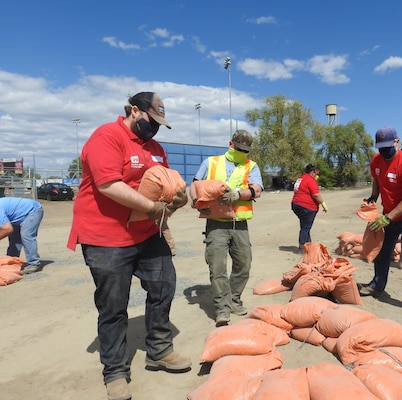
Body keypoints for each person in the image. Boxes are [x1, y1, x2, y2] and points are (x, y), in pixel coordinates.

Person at [67, 92, 190, 400]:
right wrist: (151, 207)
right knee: (113, 306)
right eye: (152, 120)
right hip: (106, 237)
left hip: (148, 233)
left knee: (164, 285)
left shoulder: (156, 148)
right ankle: (115, 371)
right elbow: (108, 184)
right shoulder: (106, 136)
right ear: (135, 111)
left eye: (161, 123)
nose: (156, 128)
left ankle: (159, 351)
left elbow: (167, 182)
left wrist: (179, 197)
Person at [189, 130, 263, 327]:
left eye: (245, 150)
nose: (241, 152)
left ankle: (234, 299)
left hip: (239, 224)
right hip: (216, 224)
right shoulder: (211, 162)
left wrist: (237, 195)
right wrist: (195, 199)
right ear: (231, 143)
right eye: (238, 148)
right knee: (217, 267)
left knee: (243, 265)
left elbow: (257, 190)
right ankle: (222, 308)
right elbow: (195, 184)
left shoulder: (251, 166)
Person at [359, 126, 402, 317]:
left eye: (387, 146)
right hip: (390, 214)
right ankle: (377, 285)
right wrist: (374, 196)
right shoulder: (376, 160)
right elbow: (376, 178)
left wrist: (387, 218)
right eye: (380, 147)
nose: (383, 151)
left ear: (397, 142)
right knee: (382, 250)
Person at [0, 197, 44, 274]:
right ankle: (12, 261)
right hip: (17, 215)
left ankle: (34, 263)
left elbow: (7, 229)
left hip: (32, 210)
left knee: (26, 236)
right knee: (14, 239)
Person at [291, 164, 328, 250]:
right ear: (312, 172)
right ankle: (303, 247)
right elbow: (316, 194)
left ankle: (309, 245)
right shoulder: (310, 180)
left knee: (305, 226)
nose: (317, 175)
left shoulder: (301, 178)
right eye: (316, 173)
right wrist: (323, 204)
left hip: (296, 204)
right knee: (305, 227)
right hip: (307, 207)